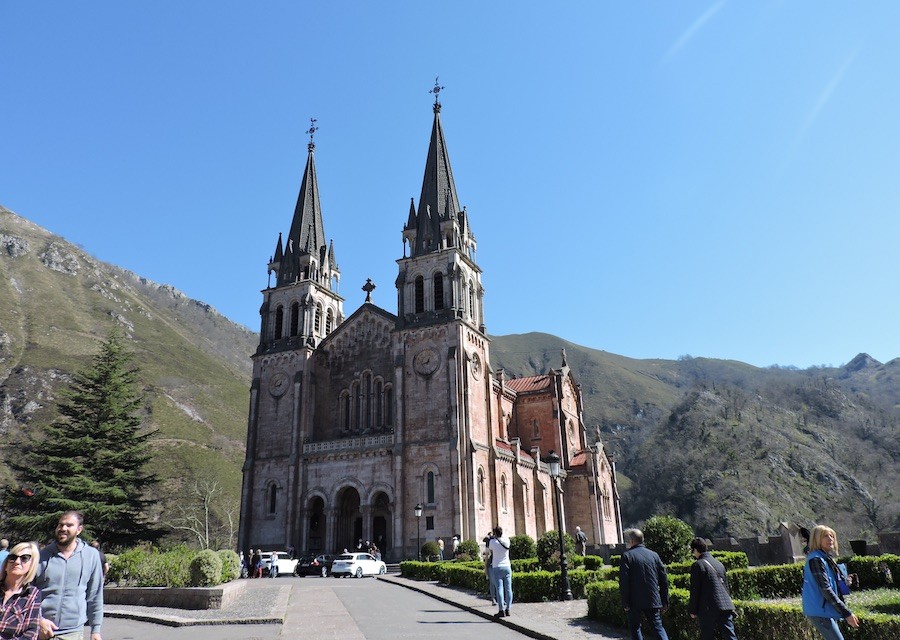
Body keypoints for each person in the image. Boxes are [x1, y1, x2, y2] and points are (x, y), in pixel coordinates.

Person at [35, 511, 104, 640]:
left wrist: (96, 630)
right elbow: (28, 593)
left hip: (73, 632)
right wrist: (38, 620)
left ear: (79, 529)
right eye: (60, 525)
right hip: (42, 630)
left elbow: (95, 594)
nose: (63, 529)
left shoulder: (91, 555)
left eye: (69, 525)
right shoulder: (41, 556)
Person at [802, 525, 859, 640]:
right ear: (816, 539)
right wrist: (846, 613)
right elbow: (825, 589)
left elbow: (830, 584)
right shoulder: (816, 559)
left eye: (832, 536)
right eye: (825, 536)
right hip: (820, 610)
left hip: (822, 609)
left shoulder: (824, 558)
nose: (830, 539)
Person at [619, 528, 669, 640]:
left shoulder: (627, 556)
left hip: (634, 600)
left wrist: (625, 602)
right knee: (657, 627)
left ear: (631, 541)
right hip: (653, 598)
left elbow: (624, 581)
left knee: (635, 628)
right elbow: (663, 579)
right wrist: (664, 600)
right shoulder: (654, 555)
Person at [688, 538, 738, 640]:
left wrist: (693, 610)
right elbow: (725, 586)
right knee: (730, 636)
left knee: (707, 636)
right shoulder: (719, 564)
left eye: (693, 551)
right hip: (725, 605)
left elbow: (695, 590)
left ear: (696, 550)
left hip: (708, 607)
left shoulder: (697, 565)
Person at [0, 541, 42, 640]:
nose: (17, 562)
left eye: (24, 558)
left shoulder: (32, 595)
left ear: (31, 566)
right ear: (6, 565)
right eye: (12, 558)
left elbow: (31, 633)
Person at [486, 527, 512, 618]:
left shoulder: (492, 542)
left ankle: (501, 610)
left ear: (495, 533)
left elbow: (489, 552)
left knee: (499, 589)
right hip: (507, 566)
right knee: (509, 589)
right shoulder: (507, 540)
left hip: (497, 567)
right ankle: (508, 609)